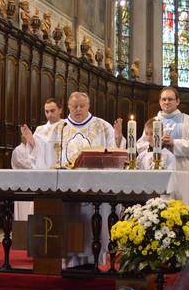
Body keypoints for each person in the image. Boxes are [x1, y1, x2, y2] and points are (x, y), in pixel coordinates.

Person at [21, 92, 119, 267]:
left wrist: (118, 139)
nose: (78, 109)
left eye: (82, 106)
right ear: (68, 108)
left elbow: (115, 151)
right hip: (65, 189)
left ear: (88, 106)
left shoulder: (102, 126)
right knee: (69, 222)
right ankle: (70, 261)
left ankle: (92, 259)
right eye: (74, 106)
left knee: (91, 225)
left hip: (93, 188)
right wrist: (33, 143)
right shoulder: (59, 128)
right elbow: (43, 152)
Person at [136, 87, 189, 203]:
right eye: (164, 99)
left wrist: (174, 142)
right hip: (156, 170)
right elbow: (141, 145)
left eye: (170, 99)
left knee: (181, 204)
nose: (166, 102)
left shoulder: (187, 120)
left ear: (177, 101)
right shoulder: (153, 121)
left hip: (181, 167)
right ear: (159, 102)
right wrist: (156, 144)